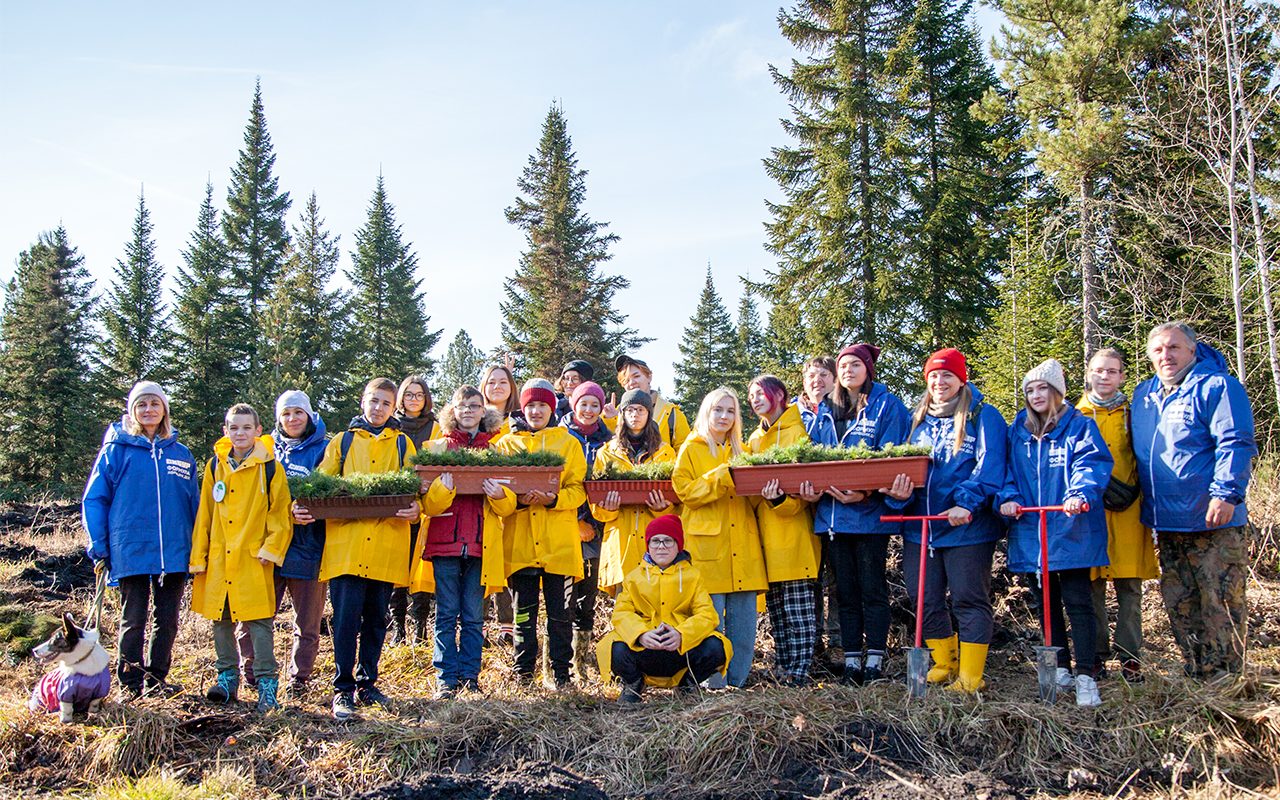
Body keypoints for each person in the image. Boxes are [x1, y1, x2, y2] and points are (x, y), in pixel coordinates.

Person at [1131, 321, 1257, 678]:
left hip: (1213, 518)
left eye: (1173, 348)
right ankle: (1195, 668)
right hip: (1166, 519)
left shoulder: (1217, 387)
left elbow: (1235, 441)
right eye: (1157, 350)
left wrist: (1226, 493)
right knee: (1180, 601)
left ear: (1192, 350)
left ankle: (1226, 677)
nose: (1165, 356)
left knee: (1219, 600)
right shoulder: (1144, 395)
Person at [294, 377, 422, 721]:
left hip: (386, 547)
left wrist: (416, 511)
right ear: (362, 402)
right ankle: (343, 688)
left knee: (376, 620)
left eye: (385, 403)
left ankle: (368, 683)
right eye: (373, 401)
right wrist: (303, 504)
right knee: (346, 621)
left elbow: (415, 490)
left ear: (393, 407)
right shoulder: (343, 441)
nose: (378, 408)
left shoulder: (403, 445)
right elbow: (321, 482)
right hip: (346, 549)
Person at [889, 348, 1008, 694]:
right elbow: (904, 466)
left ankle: (972, 675)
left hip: (966, 527)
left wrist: (966, 504)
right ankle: (944, 662)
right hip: (921, 527)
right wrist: (898, 495)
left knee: (968, 597)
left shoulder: (982, 416)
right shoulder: (917, 420)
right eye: (934, 376)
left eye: (948, 375)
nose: (940, 382)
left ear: (961, 379)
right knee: (922, 596)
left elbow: (990, 467)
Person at [998, 359, 1113, 707]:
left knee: (1078, 601)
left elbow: (1090, 464)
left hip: (1070, 527)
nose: (1036, 395)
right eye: (1030, 390)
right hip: (1032, 529)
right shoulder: (1018, 430)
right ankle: (1059, 665)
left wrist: (1079, 494)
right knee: (1045, 602)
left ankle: (1086, 672)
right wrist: (1009, 499)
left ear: (1057, 392)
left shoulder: (1079, 427)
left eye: (1042, 388)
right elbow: (1006, 473)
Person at [83, 381, 199, 701]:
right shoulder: (116, 451)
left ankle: (156, 679)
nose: (149, 410)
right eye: (142, 404)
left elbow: (194, 504)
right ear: (132, 410)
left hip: (173, 551)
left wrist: (198, 547)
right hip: (131, 549)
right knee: (133, 618)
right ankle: (131, 683)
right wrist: (100, 547)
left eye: (154, 404)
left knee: (168, 620)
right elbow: (95, 500)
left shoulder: (181, 454)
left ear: (164, 409)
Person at [806, 344, 911, 685]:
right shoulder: (826, 410)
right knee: (845, 592)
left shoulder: (887, 406)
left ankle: (876, 660)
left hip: (869, 517)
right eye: (844, 365)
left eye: (855, 365)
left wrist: (864, 492)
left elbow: (893, 457)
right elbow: (812, 458)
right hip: (832, 519)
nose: (849, 370)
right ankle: (852, 660)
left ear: (868, 369)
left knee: (872, 590)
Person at [190, 404, 293, 712]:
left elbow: (281, 515)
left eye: (246, 427)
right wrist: (200, 556)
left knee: (259, 622)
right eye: (234, 427)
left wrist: (270, 550)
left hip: (253, 559)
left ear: (258, 431)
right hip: (220, 558)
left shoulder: (270, 467)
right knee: (220, 619)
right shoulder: (214, 466)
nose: (240, 433)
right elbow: (204, 515)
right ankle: (226, 679)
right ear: (226, 431)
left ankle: (267, 685)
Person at [416, 386, 514, 697]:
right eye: (462, 406)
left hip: (480, 543)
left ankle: (470, 678)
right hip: (444, 541)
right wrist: (443, 491)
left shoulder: (496, 452)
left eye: (474, 405)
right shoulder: (437, 449)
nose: (468, 411)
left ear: (484, 411)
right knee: (446, 612)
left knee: (473, 615)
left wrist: (499, 496)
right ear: (453, 411)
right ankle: (446, 679)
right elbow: (426, 506)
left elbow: (509, 506)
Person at [492, 378, 588, 688]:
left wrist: (554, 499)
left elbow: (578, 490)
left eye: (542, 405)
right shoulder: (505, 445)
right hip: (520, 545)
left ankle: (561, 674)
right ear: (523, 407)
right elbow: (498, 494)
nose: (536, 411)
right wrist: (516, 500)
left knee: (560, 615)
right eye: (530, 405)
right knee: (524, 614)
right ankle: (523, 675)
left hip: (558, 544)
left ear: (551, 408)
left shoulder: (568, 443)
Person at [236, 390, 329, 698]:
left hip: (309, 547)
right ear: (278, 418)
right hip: (268, 548)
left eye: (298, 412)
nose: (292, 418)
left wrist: (313, 511)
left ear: (309, 415)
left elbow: (333, 491)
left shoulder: (325, 450)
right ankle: (252, 673)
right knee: (256, 614)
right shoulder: (263, 449)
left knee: (307, 621)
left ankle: (299, 679)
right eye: (286, 413)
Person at [672, 386, 766, 688]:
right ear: (707, 412)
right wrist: (722, 476)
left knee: (744, 625)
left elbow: (752, 500)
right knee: (711, 621)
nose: (724, 416)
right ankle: (712, 684)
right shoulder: (692, 447)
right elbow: (685, 492)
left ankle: (736, 684)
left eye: (730, 411)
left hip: (744, 547)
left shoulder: (745, 451)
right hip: (706, 548)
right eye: (718, 410)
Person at [1077, 349, 1158, 683]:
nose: (1105, 377)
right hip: (1090, 510)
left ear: (1123, 375)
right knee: (1091, 583)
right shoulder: (1076, 414)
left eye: (1112, 371)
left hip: (1130, 508)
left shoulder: (1135, 412)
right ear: (1088, 374)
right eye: (1098, 370)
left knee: (1129, 585)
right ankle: (1095, 655)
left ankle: (1130, 656)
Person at [597, 515, 730, 703]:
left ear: (679, 545)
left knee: (717, 647)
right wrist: (641, 634)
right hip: (646, 646)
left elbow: (707, 614)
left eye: (668, 541)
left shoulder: (693, 576)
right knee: (613, 647)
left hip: (680, 649)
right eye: (656, 541)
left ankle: (687, 685)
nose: (661, 546)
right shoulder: (633, 578)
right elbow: (621, 613)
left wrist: (682, 634)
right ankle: (634, 683)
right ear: (648, 545)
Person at [745, 374, 821, 686]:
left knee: (798, 610)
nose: (754, 399)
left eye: (760, 392)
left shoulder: (797, 432)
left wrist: (779, 500)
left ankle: (800, 671)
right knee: (777, 610)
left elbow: (803, 495)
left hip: (794, 536)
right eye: (750, 395)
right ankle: (785, 667)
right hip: (763, 537)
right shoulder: (751, 440)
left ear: (778, 394)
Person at [591, 389, 677, 595]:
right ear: (622, 414)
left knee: (659, 607)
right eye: (629, 410)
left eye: (640, 410)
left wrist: (661, 509)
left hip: (657, 541)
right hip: (621, 542)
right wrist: (609, 509)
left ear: (649, 414)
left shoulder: (665, 452)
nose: (635, 415)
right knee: (624, 611)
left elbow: (675, 500)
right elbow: (596, 506)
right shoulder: (606, 453)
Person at [559, 380, 613, 681]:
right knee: (562, 600)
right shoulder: (561, 437)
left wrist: (593, 524)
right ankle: (557, 666)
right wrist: (577, 521)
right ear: (574, 404)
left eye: (595, 404)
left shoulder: (608, 440)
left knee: (586, 600)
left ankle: (581, 667)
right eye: (584, 404)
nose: (589, 410)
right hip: (566, 528)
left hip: (599, 529)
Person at [792, 355, 841, 664]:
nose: (818, 380)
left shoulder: (843, 412)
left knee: (837, 579)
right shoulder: (791, 415)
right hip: (799, 511)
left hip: (837, 507)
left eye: (825, 374)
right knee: (808, 577)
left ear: (834, 381)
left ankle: (837, 640)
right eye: (812, 375)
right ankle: (811, 642)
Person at [390, 375, 436, 646]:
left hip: (428, 507)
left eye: (419, 395)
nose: (414, 399)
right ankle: (398, 627)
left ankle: (419, 625)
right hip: (398, 506)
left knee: (423, 569)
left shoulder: (435, 429)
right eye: (409, 394)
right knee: (397, 566)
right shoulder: (392, 428)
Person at [480, 362, 519, 643]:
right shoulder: (474, 418)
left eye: (503, 382)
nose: (497, 387)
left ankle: (507, 624)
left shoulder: (519, 420)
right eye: (492, 381)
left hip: (510, 497)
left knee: (506, 562)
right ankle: (478, 623)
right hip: (482, 498)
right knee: (481, 560)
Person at [609, 354, 691, 449]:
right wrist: (611, 421)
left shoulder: (672, 414)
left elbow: (685, 453)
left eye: (636, 376)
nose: (631, 383)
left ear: (649, 377)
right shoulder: (615, 413)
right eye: (626, 380)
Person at [553, 359, 594, 423]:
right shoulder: (554, 407)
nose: (569, 383)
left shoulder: (594, 411)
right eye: (566, 378)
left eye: (575, 379)